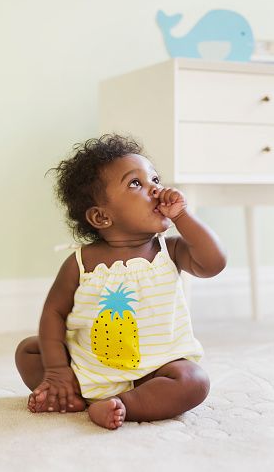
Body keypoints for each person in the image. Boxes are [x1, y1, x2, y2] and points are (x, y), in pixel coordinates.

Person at [15, 134, 226, 430]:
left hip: (155, 371)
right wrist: (57, 371)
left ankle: (121, 404)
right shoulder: (80, 262)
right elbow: (54, 313)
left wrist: (183, 216)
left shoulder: (170, 250)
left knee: (194, 380)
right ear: (102, 217)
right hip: (89, 366)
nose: (156, 189)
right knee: (29, 351)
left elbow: (214, 263)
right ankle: (70, 392)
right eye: (136, 183)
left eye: (155, 178)